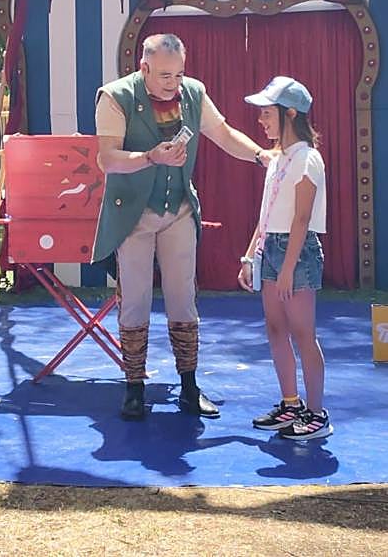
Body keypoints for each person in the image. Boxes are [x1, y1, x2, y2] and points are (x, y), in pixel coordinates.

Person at [93, 33, 272, 421]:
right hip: (133, 215)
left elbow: (222, 134)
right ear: (143, 68)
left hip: (178, 210)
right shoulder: (114, 96)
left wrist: (260, 155)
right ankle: (134, 388)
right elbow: (107, 159)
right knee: (135, 300)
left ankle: (189, 387)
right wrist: (150, 157)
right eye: (163, 76)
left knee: (183, 298)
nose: (172, 83)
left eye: (177, 74)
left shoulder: (193, 93)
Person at [238, 76, 332, 440]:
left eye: (267, 114)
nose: (261, 122)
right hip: (271, 248)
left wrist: (290, 265)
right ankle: (290, 404)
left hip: (298, 250)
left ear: (290, 113)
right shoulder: (278, 159)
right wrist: (250, 257)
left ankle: (316, 413)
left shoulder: (308, 158)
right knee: (276, 328)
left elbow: (301, 218)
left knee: (303, 333)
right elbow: (268, 211)